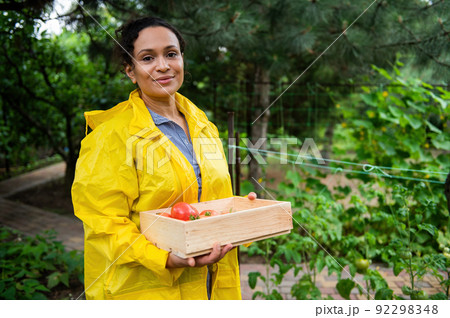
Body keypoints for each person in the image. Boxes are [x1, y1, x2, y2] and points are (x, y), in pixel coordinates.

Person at [71, 17, 241, 300]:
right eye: (147, 58)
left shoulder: (202, 125)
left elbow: (211, 201)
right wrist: (164, 258)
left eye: (171, 54)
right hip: (147, 290)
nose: (163, 65)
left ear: (182, 59)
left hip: (212, 286)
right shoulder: (111, 136)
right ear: (130, 70)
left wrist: (239, 214)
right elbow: (103, 222)